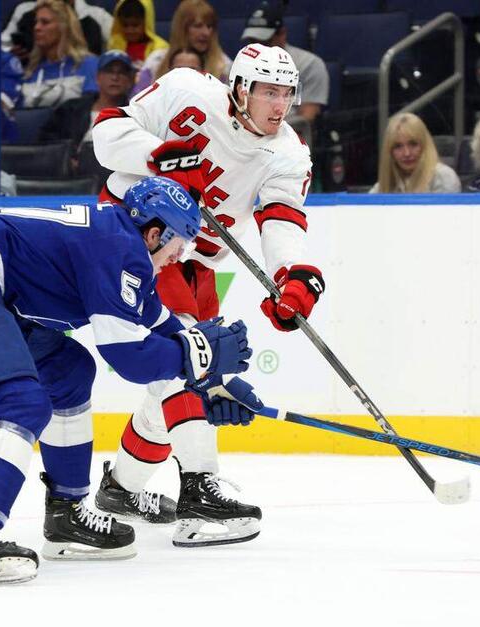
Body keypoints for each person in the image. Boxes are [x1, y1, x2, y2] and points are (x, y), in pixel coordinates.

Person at [0, 176, 258, 584]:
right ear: (155, 234)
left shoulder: (120, 242)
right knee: (21, 402)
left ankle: (66, 515)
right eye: (180, 244)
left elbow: (167, 329)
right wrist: (199, 356)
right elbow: (130, 358)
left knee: (68, 371)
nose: (179, 256)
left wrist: (212, 383)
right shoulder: (121, 249)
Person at [92, 43, 320, 546]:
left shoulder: (288, 153)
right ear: (240, 88)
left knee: (182, 377)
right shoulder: (186, 89)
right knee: (188, 359)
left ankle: (120, 489)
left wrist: (292, 276)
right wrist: (159, 156)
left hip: (195, 261)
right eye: (268, 92)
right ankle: (199, 490)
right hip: (139, 236)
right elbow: (106, 134)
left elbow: (282, 218)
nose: (280, 105)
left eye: (286, 93)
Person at [241, 2, 329, 127]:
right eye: (253, 42)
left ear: (282, 34)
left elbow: (307, 118)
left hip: (289, 132)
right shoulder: (242, 65)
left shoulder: (309, 64)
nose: (259, 48)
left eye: (265, 42)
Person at [39, 50, 136, 149]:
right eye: (109, 71)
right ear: (98, 78)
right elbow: (45, 142)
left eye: (122, 72)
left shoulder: (136, 116)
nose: (115, 77)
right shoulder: (71, 109)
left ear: (130, 80)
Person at [132, 0, 231, 94]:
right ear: (181, 28)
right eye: (198, 26)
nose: (206, 33)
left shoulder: (224, 67)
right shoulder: (156, 62)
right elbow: (137, 100)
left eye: (209, 26)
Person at [21, 0, 99, 109]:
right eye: (36, 22)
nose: (37, 28)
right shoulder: (31, 71)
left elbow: (95, 109)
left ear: (64, 27)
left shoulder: (89, 65)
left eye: (45, 22)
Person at [369, 112, 461, 193]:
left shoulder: (443, 177)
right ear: (390, 152)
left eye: (413, 144)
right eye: (398, 146)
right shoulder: (384, 184)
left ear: (425, 145)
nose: (407, 153)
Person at [3, 0, 113, 63]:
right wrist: (9, 55)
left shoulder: (97, 16)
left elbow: (118, 49)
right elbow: (1, 47)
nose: (38, 27)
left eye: (45, 22)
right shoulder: (25, 12)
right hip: (32, 76)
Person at [108, 0, 167, 71]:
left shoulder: (160, 48)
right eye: (125, 25)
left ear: (146, 23)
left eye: (135, 25)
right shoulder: (114, 44)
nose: (129, 30)